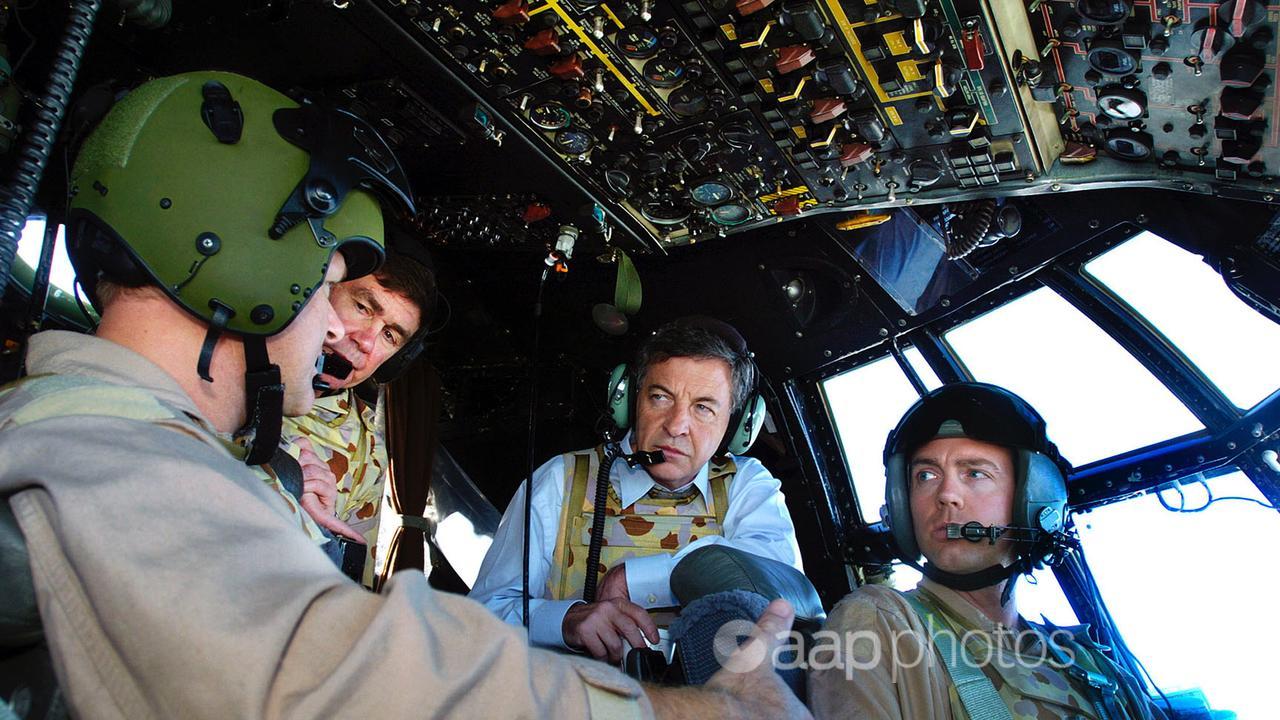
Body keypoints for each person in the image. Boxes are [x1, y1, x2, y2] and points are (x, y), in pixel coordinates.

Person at [0, 70, 810, 719]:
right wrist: (703, 712)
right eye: (331, 289)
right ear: (243, 269)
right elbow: (329, 681)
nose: (333, 331)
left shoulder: (112, 436)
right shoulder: (120, 457)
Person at [808, 382, 1166, 720]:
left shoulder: (1090, 664)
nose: (947, 494)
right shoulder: (880, 623)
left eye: (975, 473)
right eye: (926, 476)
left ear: (1033, 498)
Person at [471, 317, 803, 662]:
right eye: (660, 397)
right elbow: (481, 617)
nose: (676, 426)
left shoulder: (746, 484)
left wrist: (641, 579)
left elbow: (782, 583)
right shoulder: (561, 479)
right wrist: (563, 621)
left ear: (736, 426)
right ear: (629, 399)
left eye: (703, 407)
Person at [260, 246, 435, 588]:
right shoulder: (221, 367)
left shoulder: (367, 448)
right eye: (362, 307)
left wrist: (319, 527)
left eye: (389, 335)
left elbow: (345, 585)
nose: (367, 342)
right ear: (321, 291)